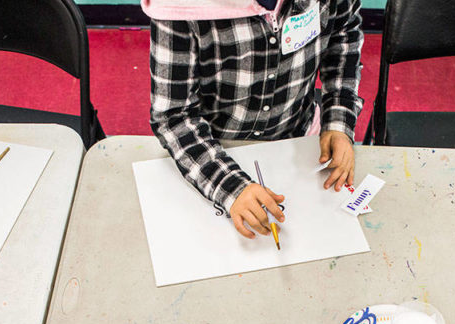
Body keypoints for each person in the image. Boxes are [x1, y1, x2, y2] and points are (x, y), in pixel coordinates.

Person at [145, 0, 364, 239]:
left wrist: (338, 122)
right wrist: (230, 187)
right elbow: (174, 117)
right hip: (213, 156)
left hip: (299, 145)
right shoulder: (177, 8)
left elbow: (343, 41)